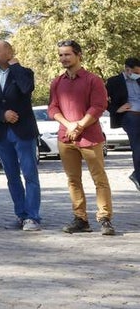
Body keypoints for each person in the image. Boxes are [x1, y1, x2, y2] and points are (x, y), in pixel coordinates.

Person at [49, 40, 115, 235]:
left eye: (67, 54)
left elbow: (98, 106)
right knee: (73, 180)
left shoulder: (93, 80)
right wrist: (69, 125)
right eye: (60, 55)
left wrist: (79, 125)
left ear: (78, 55)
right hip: (65, 138)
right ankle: (80, 219)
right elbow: (53, 108)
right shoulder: (57, 82)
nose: (63, 58)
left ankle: (105, 219)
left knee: (99, 179)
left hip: (90, 138)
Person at [0, 40, 42, 230]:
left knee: (30, 174)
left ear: (9, 52)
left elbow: (25, 88)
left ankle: (33, 217)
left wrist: (15, 66)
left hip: (23, 132)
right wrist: (2, 115)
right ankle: (21, 215)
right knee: (12, 176)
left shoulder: (24, 72)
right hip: (1, 132)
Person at [105, 56, 140, 193]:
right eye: (136, 72)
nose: (138, 75)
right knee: (137, 144)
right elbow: (101, 98)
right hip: (129, 116)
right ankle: (138, 176)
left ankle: (136, 173)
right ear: (127, 70)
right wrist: (116, 110)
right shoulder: (114, 81)